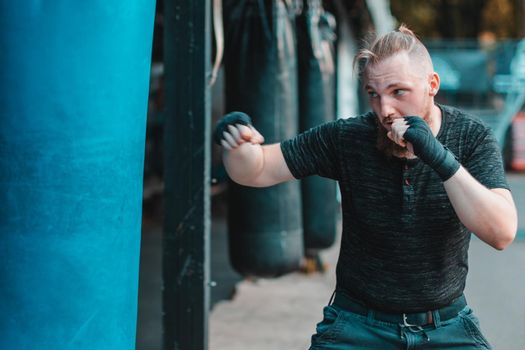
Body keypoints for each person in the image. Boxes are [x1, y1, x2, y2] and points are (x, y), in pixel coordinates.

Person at [215, 25, 517, 349]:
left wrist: (437, 156)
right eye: (374, 94)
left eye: (398, 92)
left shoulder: (472, 137)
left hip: (445, 326)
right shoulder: (349, 138)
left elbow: (501, 231)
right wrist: (238, 147)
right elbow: (257, 169)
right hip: (357, 325)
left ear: (432, 85)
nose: (385, 110)